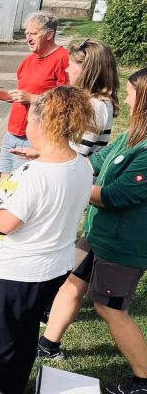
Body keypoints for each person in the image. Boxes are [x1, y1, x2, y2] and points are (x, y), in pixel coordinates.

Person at [0, 86, 96, 393]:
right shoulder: (81, 164)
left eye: (30, 121)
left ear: (45, 124)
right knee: (21, 337)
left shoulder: (35, 174)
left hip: (13, 275)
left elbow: (6, 223)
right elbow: (49, 199)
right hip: (50, 271)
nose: (27, 127)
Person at [31, 38, 120, 360]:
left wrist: (43, 156)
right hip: (75, 180)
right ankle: (50, 307)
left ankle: (46, 304)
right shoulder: (98, 102)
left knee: (61, 247)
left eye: (73, 64)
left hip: (74, 184)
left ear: (89, 69)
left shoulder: (95, 105)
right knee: (73, 256)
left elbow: (79, 154)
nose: (67, 68)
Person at [75, 68, 147, 394]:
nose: (126, 100)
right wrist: (55, 160)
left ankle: (143, 378)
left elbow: (115, 197)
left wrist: (69, 186)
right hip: (99, 233)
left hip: (123, 245)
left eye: (131, 94)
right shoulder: (131, 134)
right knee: (72, 279)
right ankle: (48, 342)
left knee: (110, 308)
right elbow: (95, 161)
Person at [0, 10, 68, 181]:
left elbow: (68, 102)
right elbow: (21, 95)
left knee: (20, 185)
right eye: (27, 33)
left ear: (50, 34)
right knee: (4, 183)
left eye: (33, 34)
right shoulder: (29, 60)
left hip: (37, 136)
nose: (28, 38)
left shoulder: (63, 59)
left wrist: (32, 98)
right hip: (12, 133)